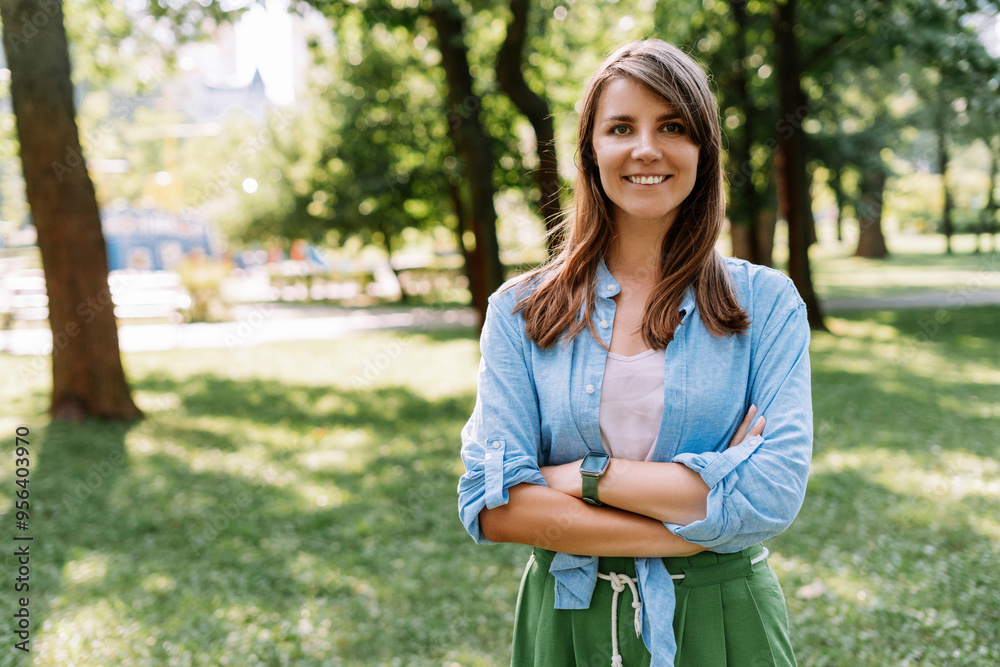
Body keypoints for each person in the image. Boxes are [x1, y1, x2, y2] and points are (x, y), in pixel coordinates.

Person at [457, 38, 812, 667]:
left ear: (702, 148)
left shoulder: (768, 304)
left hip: (724, 621)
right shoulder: (519, 311)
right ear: (592, 151)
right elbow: (494, 506)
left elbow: (769, 496)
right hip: (566, 622)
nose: (646, 148)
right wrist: (696, 528)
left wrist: (582, 477)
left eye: (672, 125)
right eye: (621, 127)